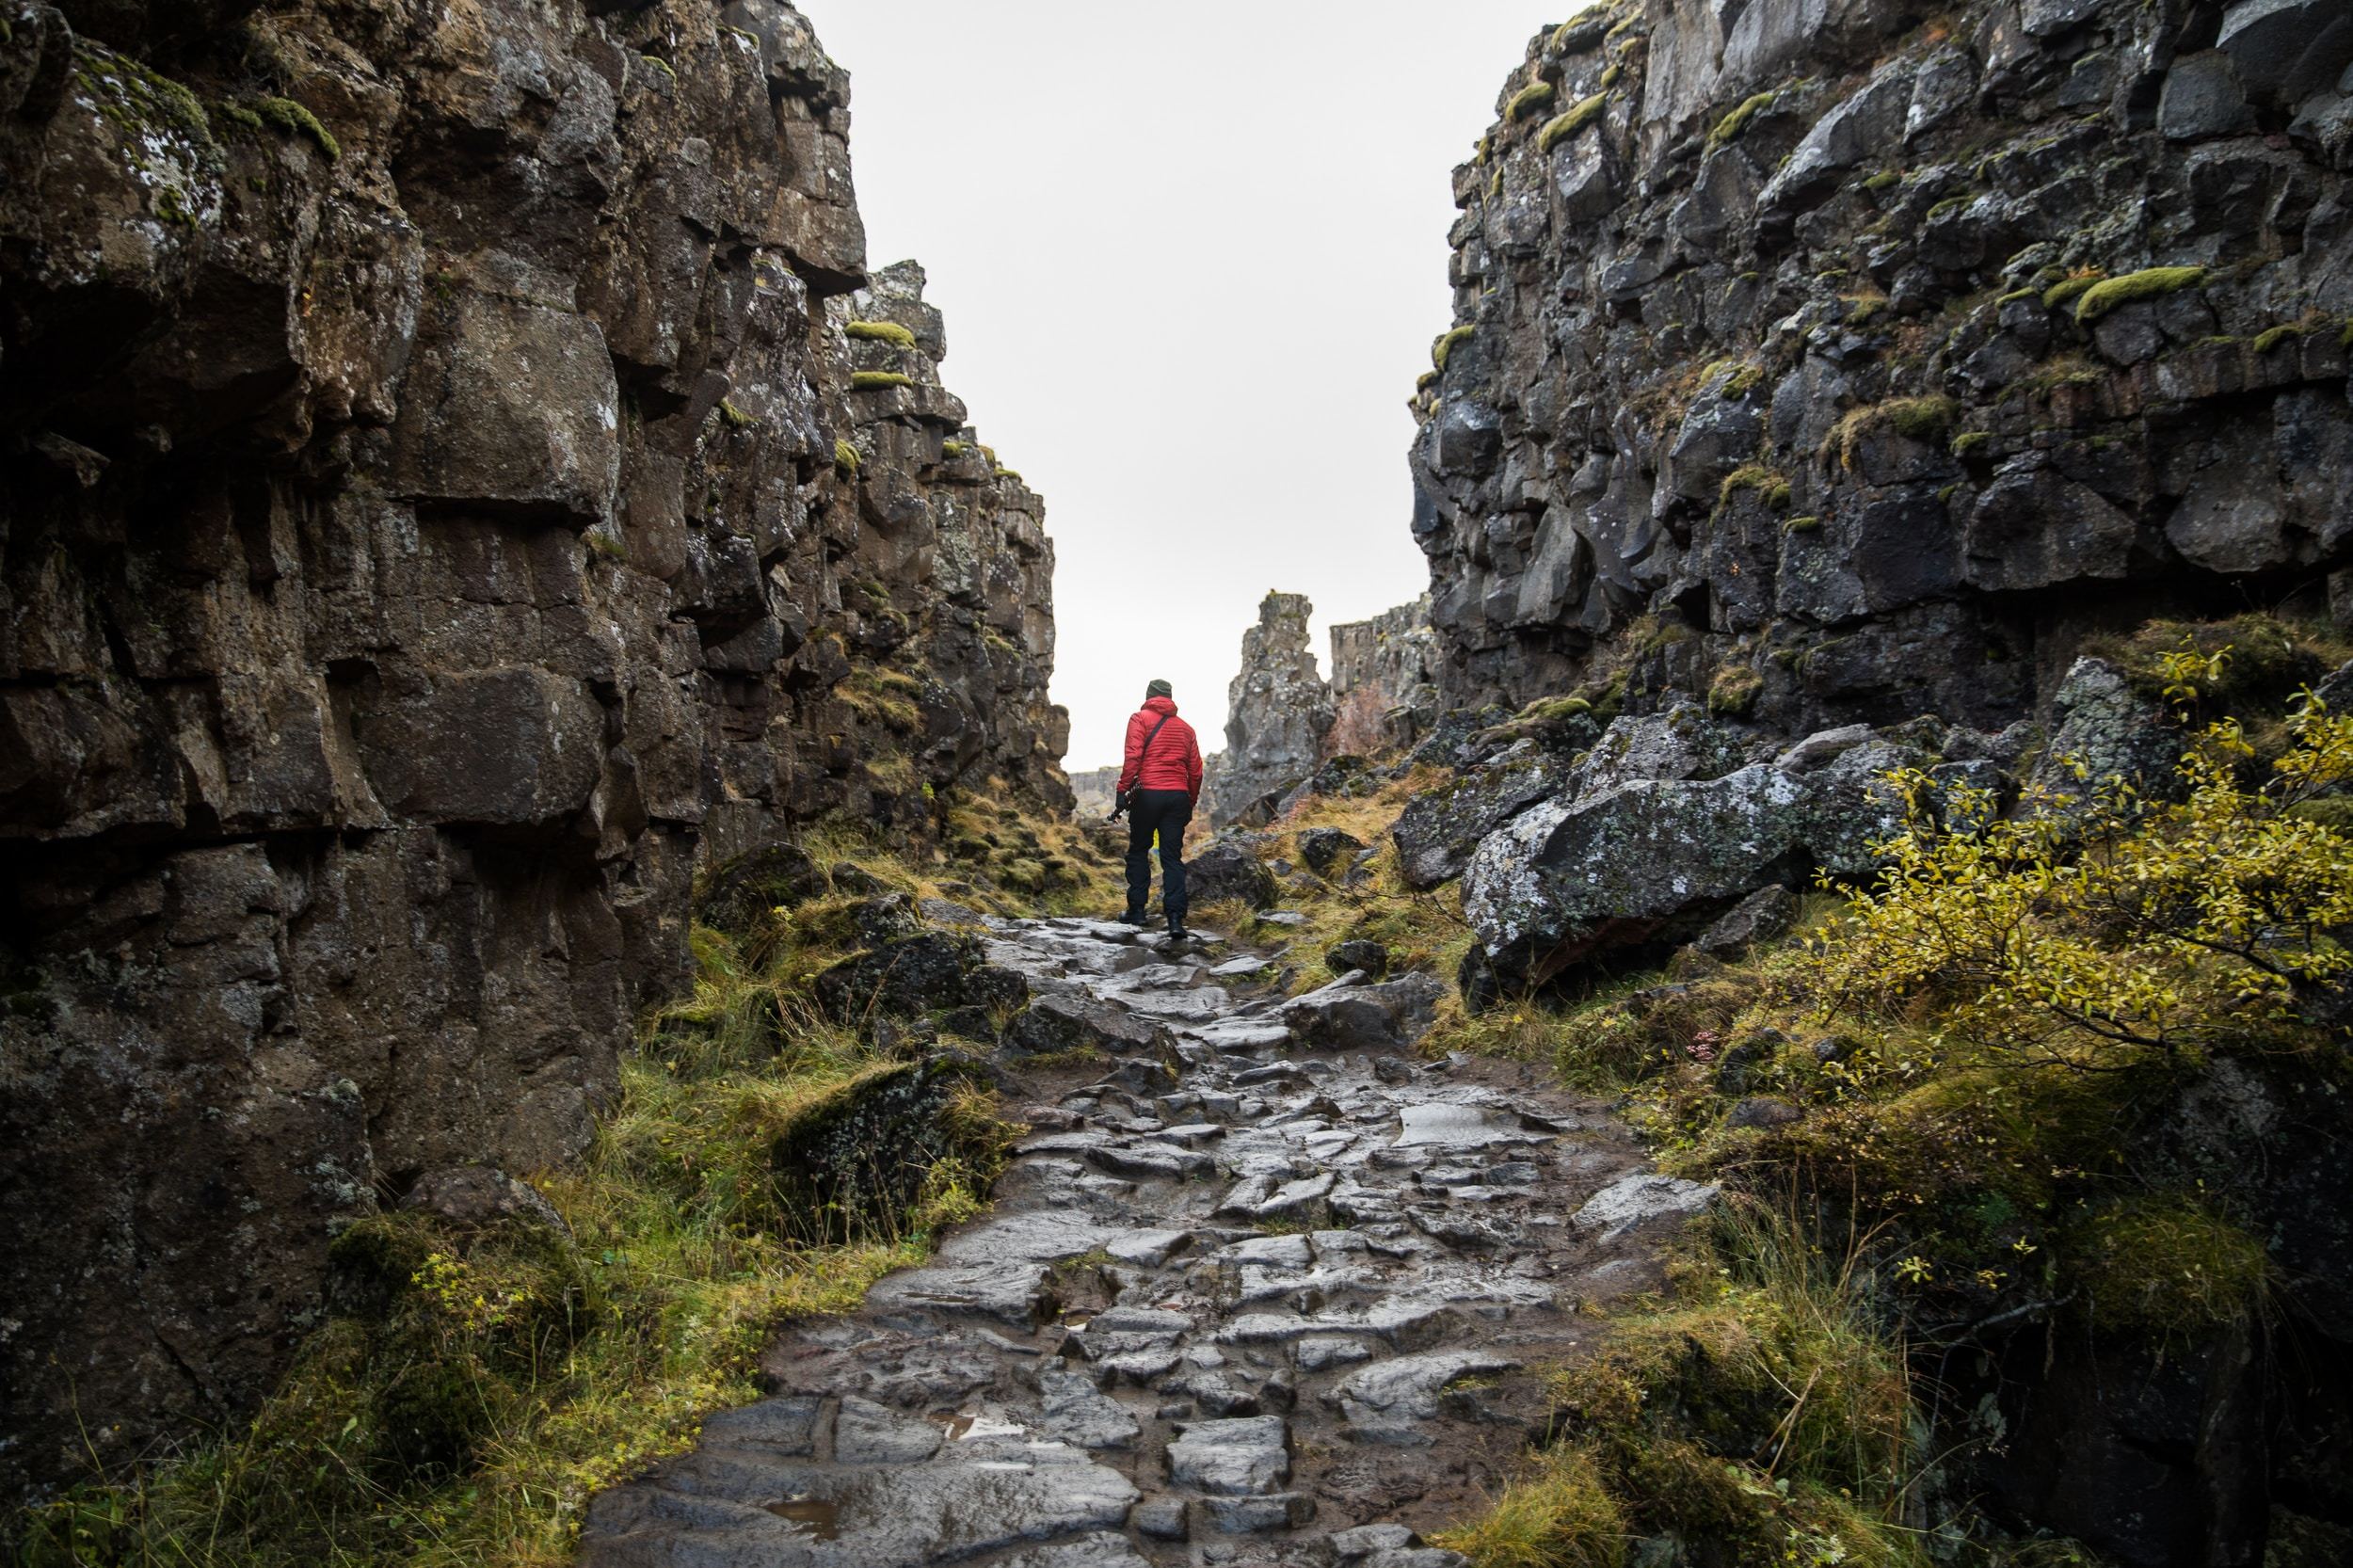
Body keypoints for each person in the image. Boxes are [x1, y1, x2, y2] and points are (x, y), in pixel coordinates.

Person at [1114, 678, 1205, 936]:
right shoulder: (1187, 729)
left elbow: (1133, 756)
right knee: (1171, 858)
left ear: (1148, 695)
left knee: (1139, 851)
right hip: (1177, 795)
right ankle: (1175, 920)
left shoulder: (1139, 718)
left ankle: (1137, 912)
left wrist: (1122, 790)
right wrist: (1190, 801)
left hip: (1148, 794)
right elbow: (1196, 772)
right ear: (1170, 698)